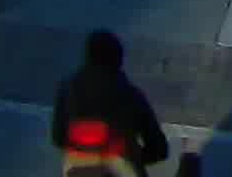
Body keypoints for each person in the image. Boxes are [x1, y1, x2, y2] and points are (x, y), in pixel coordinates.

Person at [47, 30, 169, 173]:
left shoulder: (67, 89)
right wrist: (130, 158)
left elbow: (58, 138)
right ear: (118, 61)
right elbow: (159, 149)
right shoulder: (131, 95)